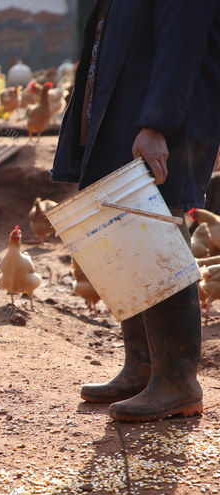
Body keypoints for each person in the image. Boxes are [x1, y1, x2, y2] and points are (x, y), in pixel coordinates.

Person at [51, 1, 220, 422]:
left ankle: (178, 381)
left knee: (154, 227)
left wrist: (157, 124)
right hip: (129, 112)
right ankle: (143, 368)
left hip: (161, 118)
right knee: (127, 226)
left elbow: (181, 44)